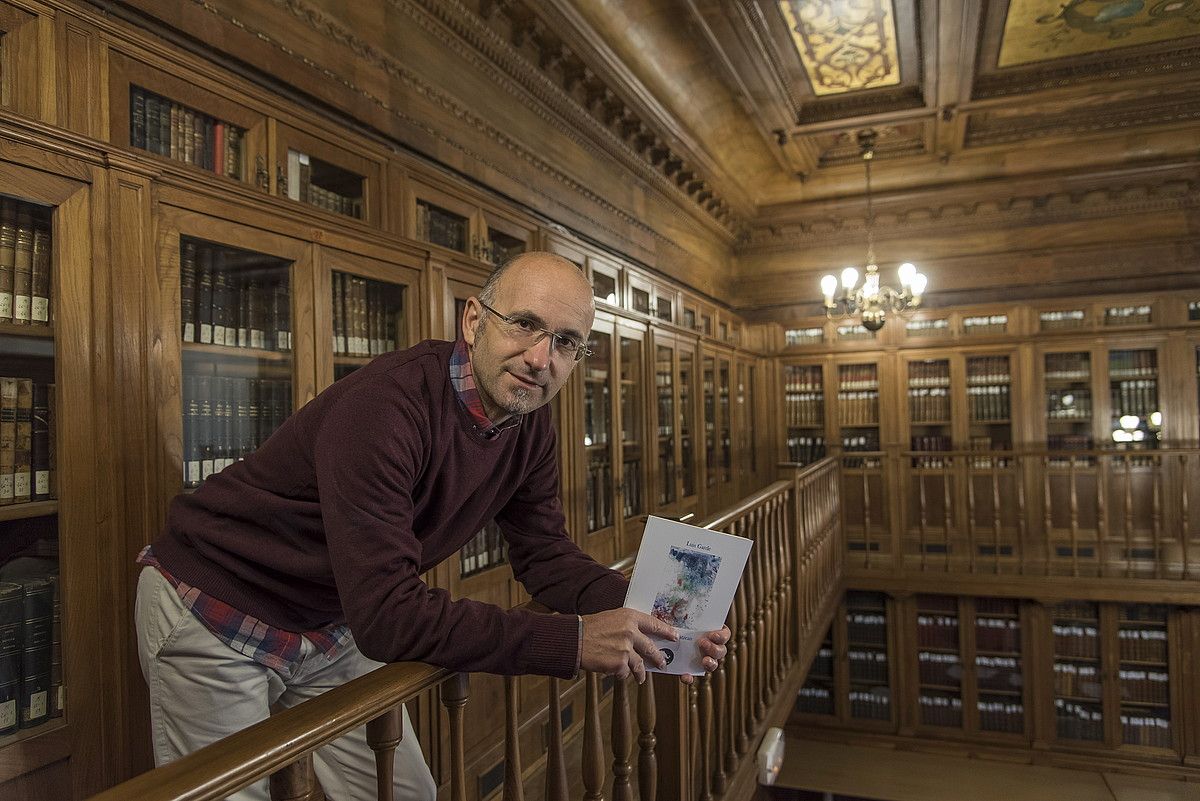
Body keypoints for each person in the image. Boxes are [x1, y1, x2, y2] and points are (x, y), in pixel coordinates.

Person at [135, 252, 731, 801]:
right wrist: (574, 641)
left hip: (332, 617)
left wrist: (656, 617)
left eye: (567, 342)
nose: (540, 358)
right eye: (524, 324)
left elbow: (545, 555)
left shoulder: (530, 423)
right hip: (216, 605)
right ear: (474, 320)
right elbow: (391, 617)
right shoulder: (386, 408)